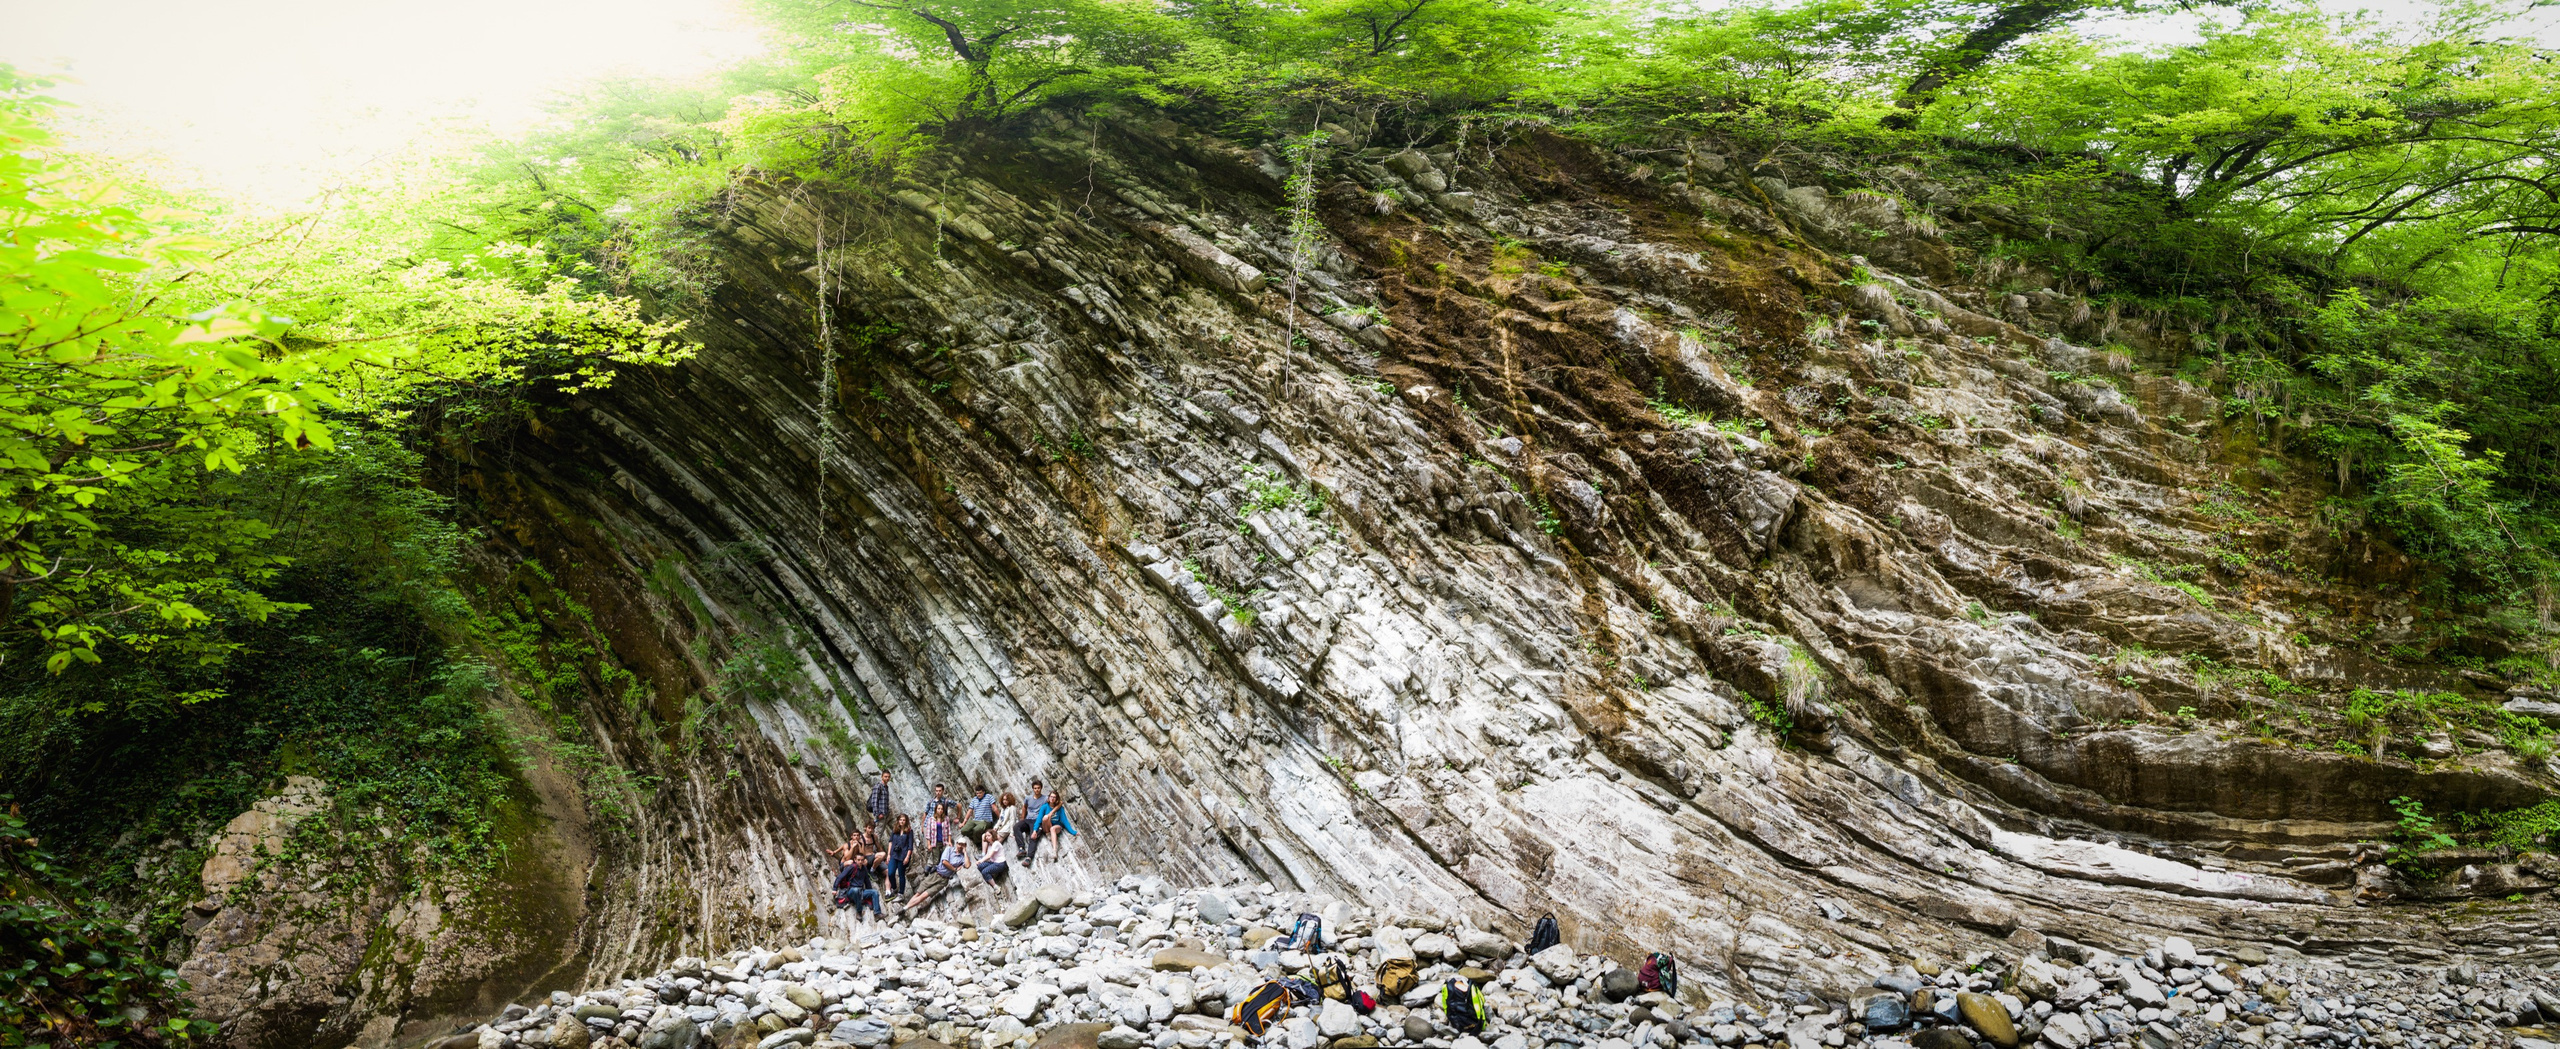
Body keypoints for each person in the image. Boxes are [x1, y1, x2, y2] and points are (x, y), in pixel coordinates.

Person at [905, 833, 971, 911]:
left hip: (943, 880)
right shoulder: (949, 849)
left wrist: (965, 852)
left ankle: (906, 908)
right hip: (936, 874)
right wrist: (954, 869)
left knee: (925, 895)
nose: (960, 846)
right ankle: (905, 908)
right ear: (956, 844)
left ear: (965, 846)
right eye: (959, 844)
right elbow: (944, 862)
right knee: (919, 892)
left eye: (962, 845)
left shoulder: (962, 857)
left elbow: (967, 865)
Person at [1035, 785, 1076, 862]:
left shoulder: (1060, 808)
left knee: (1053, 828)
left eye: (1054, 797)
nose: (1052, 798)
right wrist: (1034, 830)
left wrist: (1073, 832)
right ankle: (1048, 834)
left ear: (1056, 799)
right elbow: (1039, 819)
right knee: (1045, 818)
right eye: (1051, 797)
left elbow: (1064, 821)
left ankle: (1054, 851)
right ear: (1049, 797)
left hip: (1056, 826)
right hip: (1047, 826)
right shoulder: (1044, 807)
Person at [886, 814, 916, 898]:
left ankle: (901, 893)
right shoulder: (895, 830)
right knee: (890, 872)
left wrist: (907, 857)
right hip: (894, 854)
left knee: (901, 874)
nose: (902, 821)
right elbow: (890, 842)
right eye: (900, 820)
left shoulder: (909, 831)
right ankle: (894, 887)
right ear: (898, 821)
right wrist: (888, 854)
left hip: (903, 856)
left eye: (903, 820)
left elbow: (910, 846)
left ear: (906, 821)